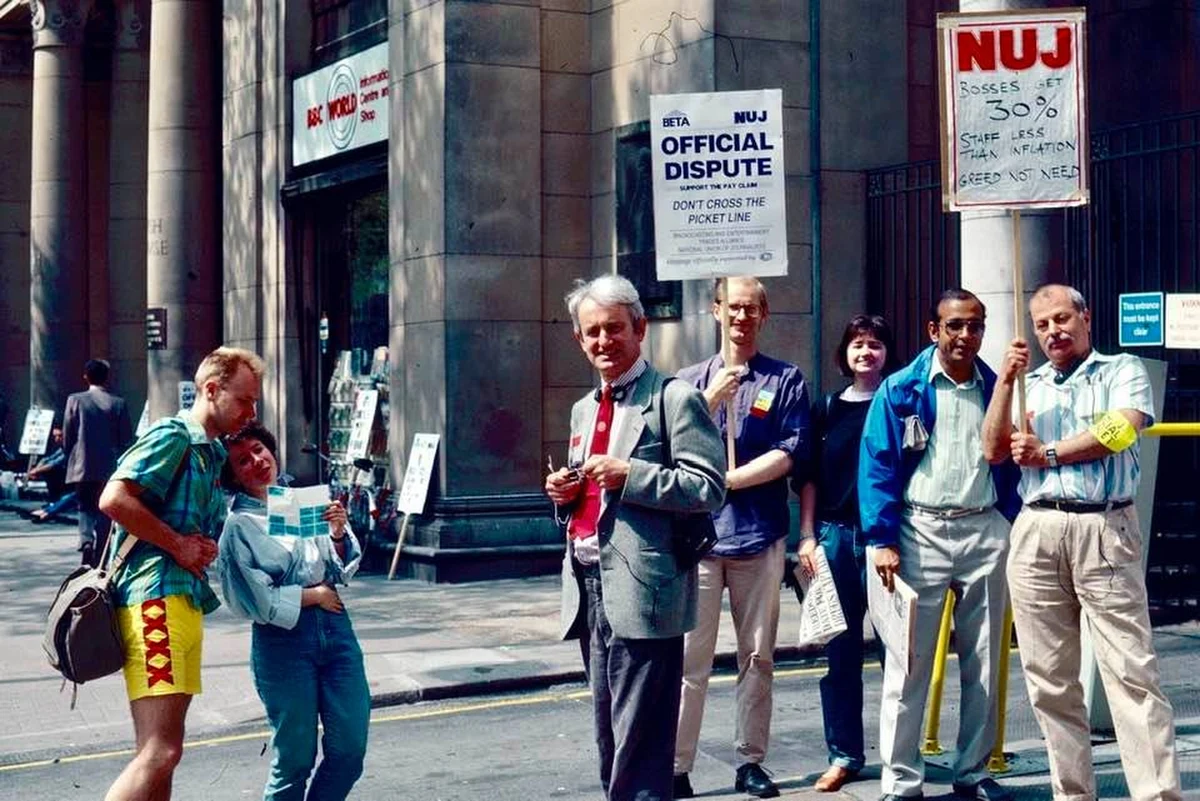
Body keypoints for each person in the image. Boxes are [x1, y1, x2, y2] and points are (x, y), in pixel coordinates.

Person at [981, 284, 1182, 801]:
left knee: (1131, 672)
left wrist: (1048, 453)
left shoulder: (1122, 371)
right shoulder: (1031, 384)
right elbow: (993, 449)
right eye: (1042, 323)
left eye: (1062, 318)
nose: (1053, 331)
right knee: (1049, 680)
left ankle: (1157, 794)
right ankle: (1073, 794)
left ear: (1085, 317)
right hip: (1038, 529)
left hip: (1104, 527)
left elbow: (1120, 430)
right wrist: (1005, 381)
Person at [545, 275, 726, 801]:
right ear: (579, 340)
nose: (603, 342)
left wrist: (633, 475)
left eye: (614, 329)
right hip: (588, 586)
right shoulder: (584, 408)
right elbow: (593, 501)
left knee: (642, 742)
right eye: (592, 333)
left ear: (640, 328)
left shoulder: (674, 398)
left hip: (646, 589)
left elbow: (708, 488)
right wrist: (565, 495)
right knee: (609, 732)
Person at [859, 289, 1020, 801]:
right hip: (917, 532)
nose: (965, 336)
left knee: (985, 661)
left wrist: (1010, 523)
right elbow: (878, 464)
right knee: (908, 665)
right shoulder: (901, 389)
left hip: (984, 528)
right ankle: (901, 783)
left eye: (975, 326)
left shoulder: (995, 386)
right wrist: (882, 538)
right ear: (934, 331)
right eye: (955, 326)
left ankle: (973, 772)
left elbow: (1011, 458)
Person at [100, 347, 264, 801]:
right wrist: (178, 544)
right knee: (160, 751)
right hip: (155, 598)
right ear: (212, 390)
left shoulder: (209, 452)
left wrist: (197, 543)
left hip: (182, 601)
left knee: (160, 754)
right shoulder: (172, 435)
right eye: (245, 400)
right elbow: (114, 499)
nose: (251, 413)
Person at [672, 277, 811, 800]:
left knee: (757, 658)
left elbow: (790, 451)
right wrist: (709, 401)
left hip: (760, 538)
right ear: (715, 310)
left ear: (765, 313)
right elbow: (673, 446)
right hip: (702, 544)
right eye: (733, 306)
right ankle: (677, 764)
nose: (741, 316)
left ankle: (750, 762)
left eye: (752, 307)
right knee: (691, 660)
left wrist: (730, 479)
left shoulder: (785, 379)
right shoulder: (688, 381)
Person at [217, 422, 369, 801]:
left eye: (258, 450)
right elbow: (254, 599)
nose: (256, 461)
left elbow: (338, 571)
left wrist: (336, 532)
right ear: (233, 476)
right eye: (241, 461)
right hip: (282, 642)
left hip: (336, 632)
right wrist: (314, 595)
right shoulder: (238, 526)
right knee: (295, 760)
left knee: (350, 751)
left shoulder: (297, 501)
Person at [796, 314, 899, 793]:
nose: (866, 353)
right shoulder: (827, 408)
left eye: (875, 344)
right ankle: (844, 755)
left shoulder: (898, 401)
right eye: (858, 344)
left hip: (887, 542)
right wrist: (807, 537)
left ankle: (902, 755)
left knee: (897, 653)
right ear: (845, 352)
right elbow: (810, 477)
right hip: (835, 540)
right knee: (841, 655)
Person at [63, 358, 133, 566]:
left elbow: (69, 433)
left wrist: (70, 454)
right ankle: (102, 548)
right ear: (107, 378)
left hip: (82, 464)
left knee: (84, 505)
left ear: (86, 377)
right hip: (111, 467)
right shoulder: (118, 403)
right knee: (106, 508)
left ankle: (86, 540)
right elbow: (126, 438)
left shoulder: (75, 400)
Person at [29, 425, 77, 522]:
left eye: (60, 436)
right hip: (73, 479)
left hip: (75, 478)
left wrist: (36, 471)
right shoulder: (63, 448)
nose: (57, 439)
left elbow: (56, 463)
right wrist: (37, 468)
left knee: (75, 496)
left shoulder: (73, 447)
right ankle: (50, 508)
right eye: (55, 436)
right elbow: (48, 459)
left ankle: (48, 511)